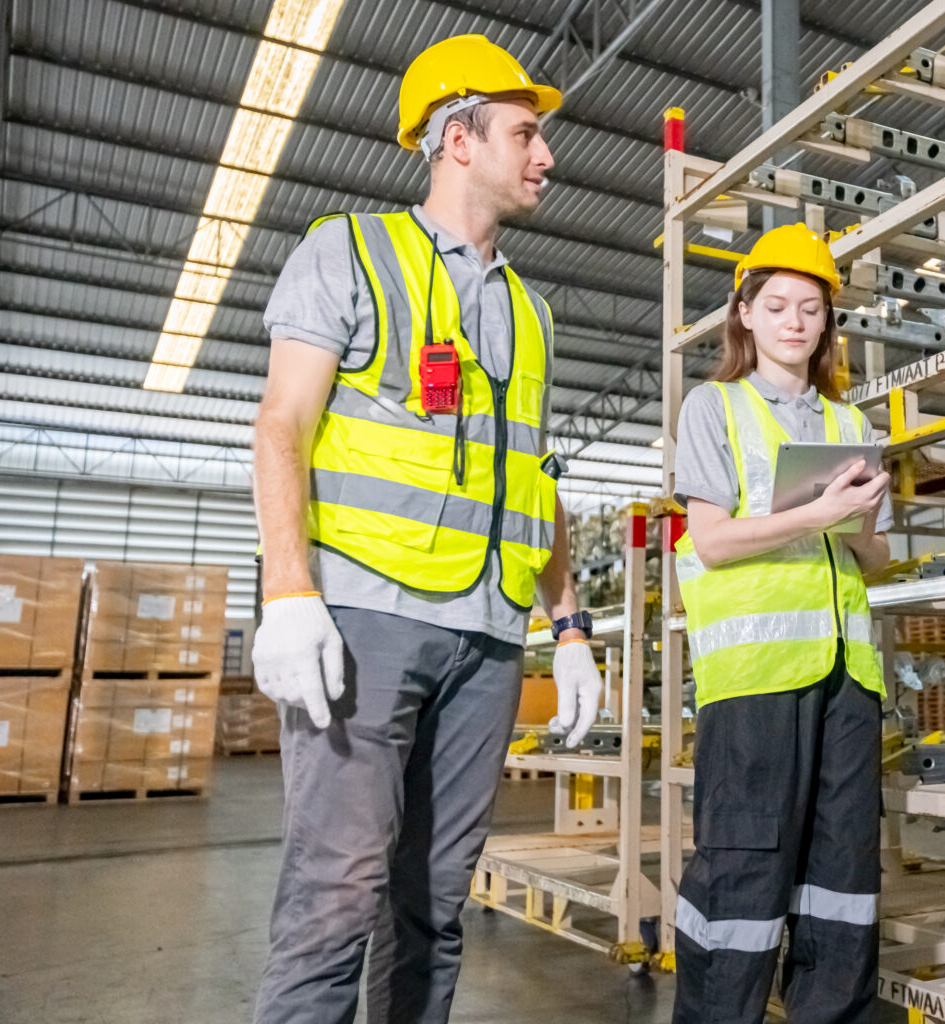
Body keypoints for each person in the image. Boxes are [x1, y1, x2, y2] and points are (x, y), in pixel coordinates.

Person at [247, 34, 603, 1024]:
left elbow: (535, 482)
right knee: (337, 892)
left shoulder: (530, 310)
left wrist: (567, 627)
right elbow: (281, 425)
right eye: (525, 133)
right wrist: (289, 592)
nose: (546, 156)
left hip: (490, 639)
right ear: (458, 138)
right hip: (362, 621)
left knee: (437, 901)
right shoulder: (350, 251)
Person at [669, 224, 893, 1024]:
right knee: (743, 873)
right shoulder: (714, 408)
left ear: (829, 323)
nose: (795, 322)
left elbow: (872, 562)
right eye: (777, 306)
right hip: (756, 682)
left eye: (811, 308)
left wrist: (859, 523)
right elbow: (712, 539)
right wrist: (817, 513)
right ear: (746, 315)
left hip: (846, 683)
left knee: (842, 873)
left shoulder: (849, 425)